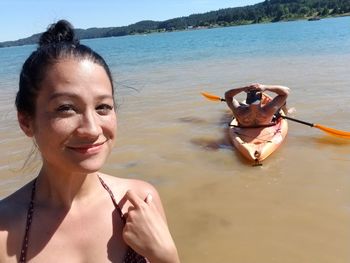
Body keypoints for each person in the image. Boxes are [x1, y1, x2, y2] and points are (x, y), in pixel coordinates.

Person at [0, 20, 180, 263]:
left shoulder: (140, 202)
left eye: (103, 107)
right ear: (26, 122)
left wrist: (166, 257)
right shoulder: (5, 229)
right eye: (66, 108)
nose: (92, 129)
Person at [224, 83, 290, 127]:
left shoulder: (239, 111)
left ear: (248, 99)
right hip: (265, 121)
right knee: (283, 102)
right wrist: (265, 87)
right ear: (261, 98)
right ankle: (286, 112)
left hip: (245, 125)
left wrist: (243, 88)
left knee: (236, 107)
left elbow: (227, 95)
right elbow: (285, 92)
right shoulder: (267, 111)